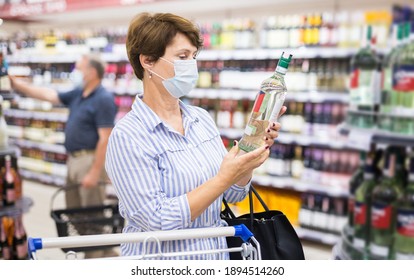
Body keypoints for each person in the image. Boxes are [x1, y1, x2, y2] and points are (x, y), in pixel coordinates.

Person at [104, 12, 286, 260]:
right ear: (147, 60)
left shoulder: (201, 119)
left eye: (193, 56)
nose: (192, 64)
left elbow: (233, 194)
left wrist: (249, 155)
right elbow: (156, 219)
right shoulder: (128, 136)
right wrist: (223, 178)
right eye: (182, 57)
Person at [9, 54, 118, 258]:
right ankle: (106, 253)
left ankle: (96, 260)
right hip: (74, 160)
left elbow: (106, 138)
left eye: (79, 68)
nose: (76, 72)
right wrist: (18, 85)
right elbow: (49, 95)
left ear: (92, 72)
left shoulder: (103, 99)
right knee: (74, 212)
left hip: (90, 160)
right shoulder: (79, 93)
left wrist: (95, 172)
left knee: (92, 214)